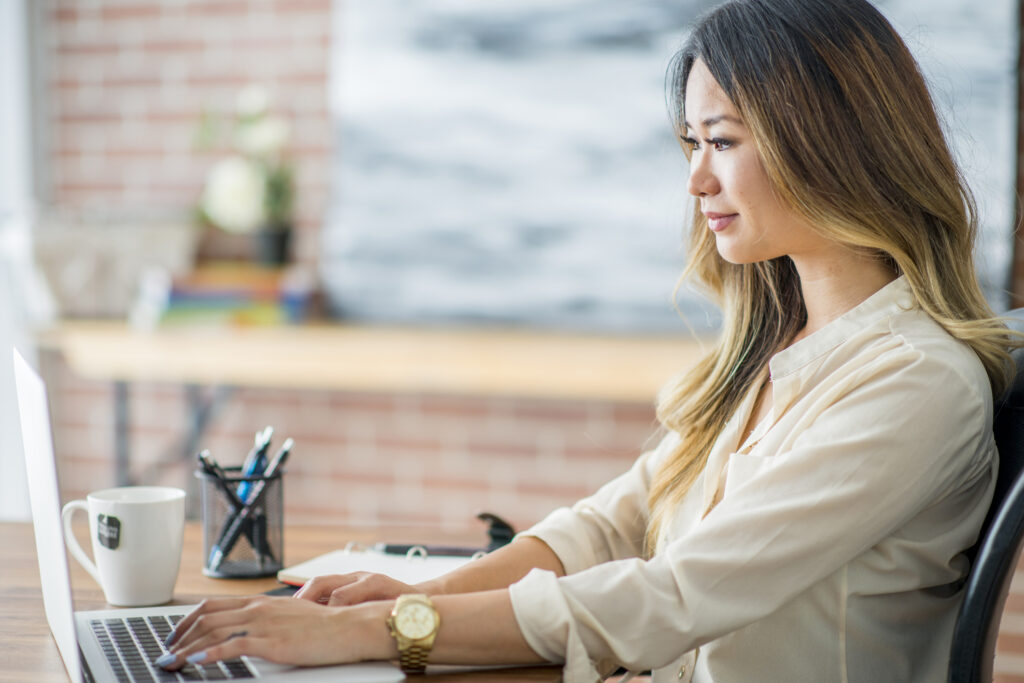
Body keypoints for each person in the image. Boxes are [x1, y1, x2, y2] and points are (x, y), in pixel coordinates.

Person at [157, 0, 1021, 680]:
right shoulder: (782, 347)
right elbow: (620, 521)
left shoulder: (912, 383)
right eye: (691, 142)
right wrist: (421, 595)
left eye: (721, 141)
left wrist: (371, 633)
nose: (695, 178)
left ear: (829, 143)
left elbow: (674, 592)